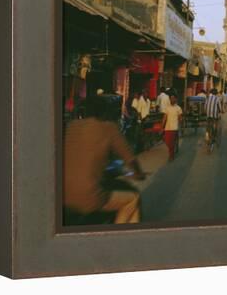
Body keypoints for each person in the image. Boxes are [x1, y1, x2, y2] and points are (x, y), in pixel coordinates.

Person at [63, 95, 146, 224]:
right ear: (106, 111)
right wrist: (139, 174)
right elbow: (130, 159)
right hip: (88, 197)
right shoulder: (109, 128)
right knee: (133, 199)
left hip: (60, 195)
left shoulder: (71, 126)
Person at [162, 93, 183, 161]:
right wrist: (162, 127)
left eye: (173, 98)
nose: (172, 99)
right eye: (171, 98)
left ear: (176, 99)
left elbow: (180, 118)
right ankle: (173, 149)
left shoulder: (178, 108)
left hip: (174, 128)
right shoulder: (167, 108)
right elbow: (164, 117)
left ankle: (171, 156)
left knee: (171, 143)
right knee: (167, 141)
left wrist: (181, 127)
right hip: (167, 128)